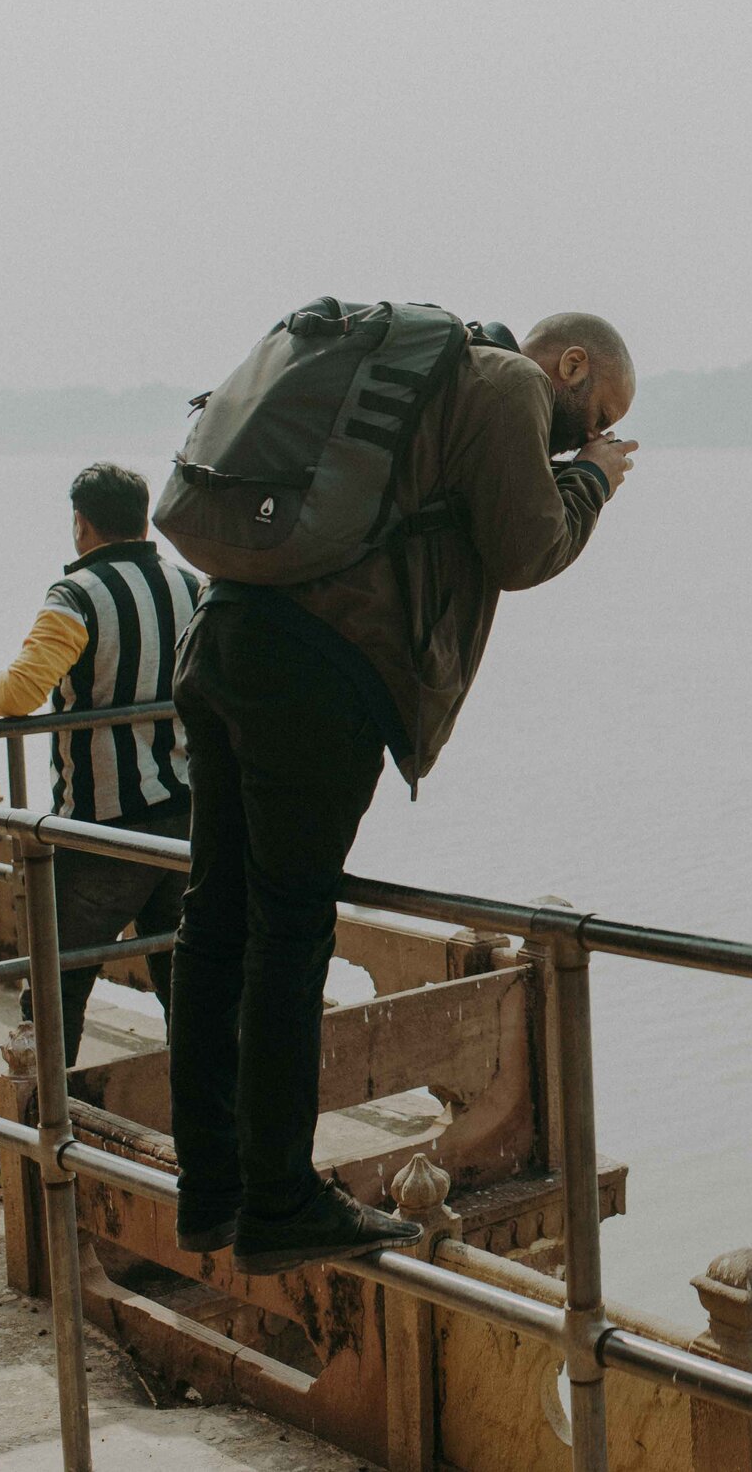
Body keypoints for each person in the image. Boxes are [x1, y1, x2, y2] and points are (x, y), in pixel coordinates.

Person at [170, 312, 635, 1272]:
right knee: (288, 933)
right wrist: (593, 479)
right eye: (599, 408)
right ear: (572, 362)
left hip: (223, 638)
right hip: (315, 670)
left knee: (215, 920)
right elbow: (525, 548)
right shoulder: (508, 382)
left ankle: (211, 1187)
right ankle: (279, 1201)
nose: (592, 426)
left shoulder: (416, 377)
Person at [0, 462, 202, 1199]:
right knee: (187, 984)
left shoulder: (78, 592)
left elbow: (21, 691)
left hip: (105, 828)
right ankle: (209, 1143)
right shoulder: (192, 586)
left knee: (54, 989)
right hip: (183, 818)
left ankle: (29, 1155)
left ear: (81, 523)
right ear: (145, 516)